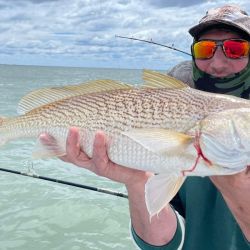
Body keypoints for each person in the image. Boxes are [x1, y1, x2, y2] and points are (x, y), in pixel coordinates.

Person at [40, 4, 250, 249]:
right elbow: (165, 243)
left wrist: (238, 194)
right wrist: (137, 181)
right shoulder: (174, 115)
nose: (218, 63)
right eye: (204, 50)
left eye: (236, 49)